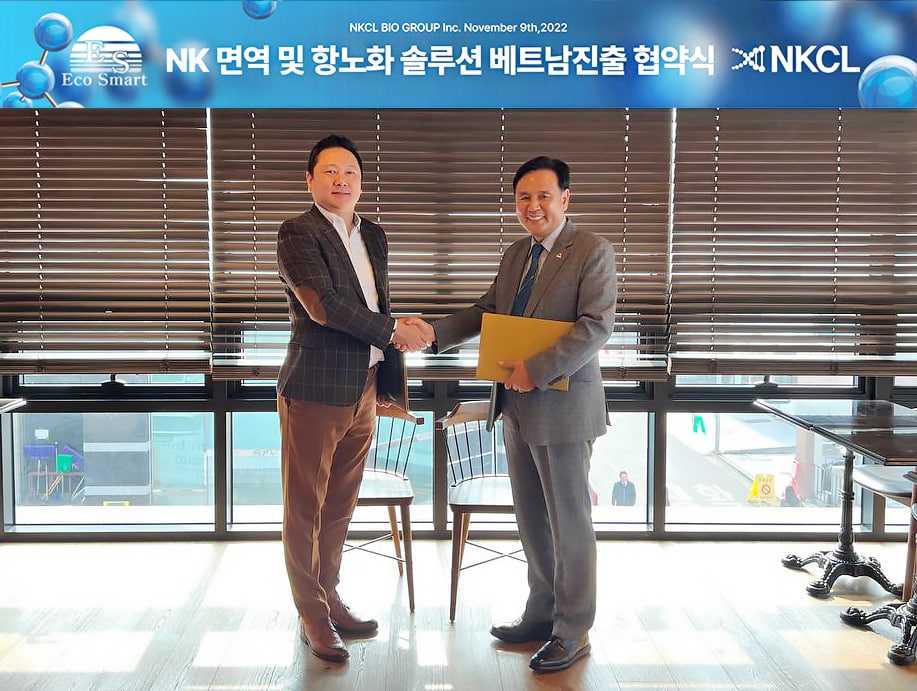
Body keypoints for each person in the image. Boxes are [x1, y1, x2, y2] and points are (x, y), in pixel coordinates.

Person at [429, 156, 617, 674]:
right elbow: (487, 311)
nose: (533, 206)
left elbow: (595, 326)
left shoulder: (592, 250)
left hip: (564, 408)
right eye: (523, 198)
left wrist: (536, 369)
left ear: (565, 198)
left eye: (543, 196)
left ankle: (572, 630)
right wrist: (433, 333)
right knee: (532, 520)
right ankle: (541, 614)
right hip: (515, 407)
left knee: (569, 524)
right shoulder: (517, 254)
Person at [276, 134, 430, 663]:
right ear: (310, 180)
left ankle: (330, 596)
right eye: (330, 171)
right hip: (315, 389)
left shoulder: (374, 235)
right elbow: (323, 305)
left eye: (350, 173)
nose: (341, 180)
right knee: (305, 509)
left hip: (364, 387)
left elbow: (374, 303)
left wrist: (392, 341)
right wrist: (392, 331)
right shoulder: (298, 233)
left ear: (361, 181)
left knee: (340, 505)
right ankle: (312, 616)